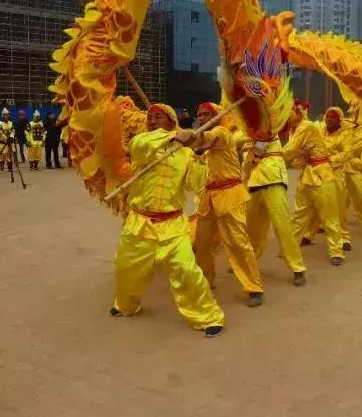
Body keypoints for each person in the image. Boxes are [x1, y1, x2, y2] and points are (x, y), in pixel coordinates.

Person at [111, 103, 225, 338]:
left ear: (171, 120)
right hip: (140, 222)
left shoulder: (184, 153)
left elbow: (195, 183)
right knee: (126, 269)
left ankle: (207, 316)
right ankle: (126, 305)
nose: (152, 120)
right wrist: (174, 136)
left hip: (172, 224)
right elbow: (140, 147)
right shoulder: (144, 143)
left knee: (186, 269)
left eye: (158, 117)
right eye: (150, 117)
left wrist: (199, 156)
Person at [178, 102, 265, 307]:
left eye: (207, 114)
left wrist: (184, 134)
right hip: (209, 198)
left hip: (229, 195)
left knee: (237, 243)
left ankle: (254, 287)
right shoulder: (207, 149)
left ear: (218, 117)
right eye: (199, 114)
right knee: (201, 243)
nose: (202, 117)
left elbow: (205, 138)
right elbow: (199, 146)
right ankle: (206, 281)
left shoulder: (222, 133)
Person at [282, 100, 346, 265]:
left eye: (285, 112)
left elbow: (289, 151)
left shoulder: (306, 126)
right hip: (306, 175)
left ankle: (336, 251)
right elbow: (296, 159)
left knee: (329, 216)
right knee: (298, 215)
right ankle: (290, 248)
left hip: (322, 175)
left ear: (296, 112)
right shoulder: (296, 129)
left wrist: (268, 155)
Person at [243, 127, 307, 287]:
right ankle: (249, 261)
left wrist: (253, 149)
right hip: (254, 183)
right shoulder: (245, 132)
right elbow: (247, 162)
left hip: (274, 180)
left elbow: (266, 135)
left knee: (282, 226)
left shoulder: (270, 124)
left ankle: (297, 268)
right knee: (251, 227)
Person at [325, 107, 362, 245]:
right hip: (334, 169)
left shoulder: (355, 128)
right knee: (331, 201)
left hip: (350, 166)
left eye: (359, 113)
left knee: (361, 198)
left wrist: (354, 134)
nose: (329, 119)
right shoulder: (325, 130)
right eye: (327, 116)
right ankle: (318, 230)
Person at [0, 108, 16, 174]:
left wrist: (11, 137)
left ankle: (9, 167)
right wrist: (6, 138)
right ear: (2, 116)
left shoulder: (11, 123)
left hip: (10, 141)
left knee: (9, 154)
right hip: (3, 142)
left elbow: (13, 131)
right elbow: (0, 133)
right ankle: (2, 165)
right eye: (5, 115)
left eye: (7, 115)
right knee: (2, 155)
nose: (6, 116)